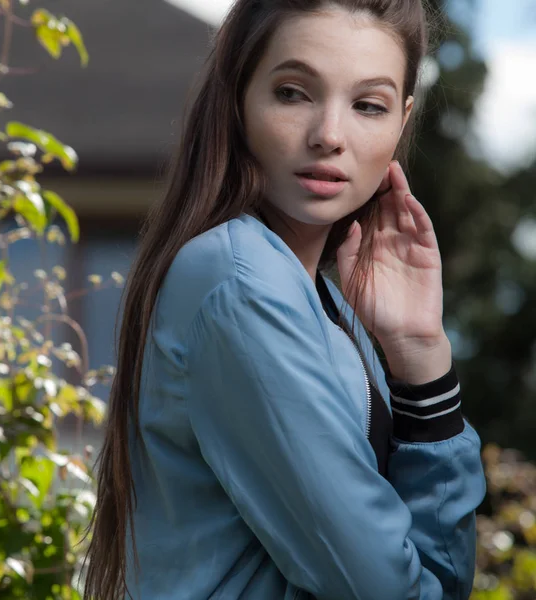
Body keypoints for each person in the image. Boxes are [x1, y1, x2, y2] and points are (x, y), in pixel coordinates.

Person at [84, 1, 487, 598]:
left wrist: (419, 355)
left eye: (367, 106)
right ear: (239, 97)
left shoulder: (326, 302)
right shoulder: (239, 284)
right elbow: (379, 587)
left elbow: (439, 579)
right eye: (294, 93)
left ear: (402, 121)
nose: (329, 135)